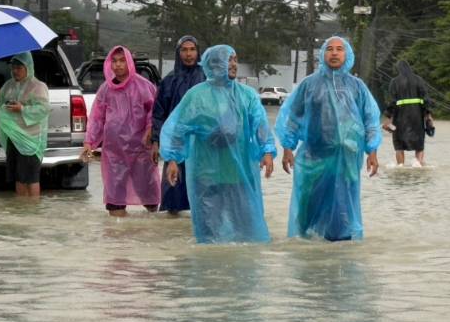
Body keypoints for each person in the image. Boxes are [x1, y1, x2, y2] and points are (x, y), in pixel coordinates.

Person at [160, 44, 275, 244]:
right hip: (206, 175)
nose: (233, 65)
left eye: (235, 59)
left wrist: (267, 150)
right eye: (228, 59)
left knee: (246, 232)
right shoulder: (197, 96)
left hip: (238, 172)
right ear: (213, 64)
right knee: (209, 235)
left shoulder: (246, 95)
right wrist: (172, 159)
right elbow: (178, 128)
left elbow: (260, 123)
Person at [276, 36, 381, 242]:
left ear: (347, 55)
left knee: (342, 210)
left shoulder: (357, 87)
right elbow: (293, 116)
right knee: (309, 212)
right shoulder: (309, 85)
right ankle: (309, 257)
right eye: (329, 49)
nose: (334, 53)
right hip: (313, 159)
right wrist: (288, 148)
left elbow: (371, 120)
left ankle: (338, 256)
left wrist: (372, 151)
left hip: (346, 161)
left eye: (339, 49)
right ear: (322, 54)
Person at [80, 45, 160, 217]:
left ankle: (148, 237)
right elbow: (96, 117)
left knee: (149, 196)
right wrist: (89, 142)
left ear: (130, 62)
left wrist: (150, 130)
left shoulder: (144, 86)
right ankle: (117, 240)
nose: (118, 65)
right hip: (114, 152)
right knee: (115, 200)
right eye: (114, 61)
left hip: (140, 150)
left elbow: (154, 111)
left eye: (122, 60)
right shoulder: (105, 89)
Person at [149, 35, 206, 215]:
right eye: (184, 50)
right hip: (175, 143)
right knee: (173, 191)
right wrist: (156, 142)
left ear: (198, 52)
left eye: (192, 49)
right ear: (178, 53)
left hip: (202, 143)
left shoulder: (207, 77)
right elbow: (159, 113)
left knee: (202, 193)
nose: (188, 54)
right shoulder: (169, 81)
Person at [0, 52, 51, 198]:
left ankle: (33, 211)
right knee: (18, 177)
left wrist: (22, 108)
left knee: (31, 178)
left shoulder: (38, 87)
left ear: (28, 67)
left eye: (19, 67)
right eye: (13, 68)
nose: (15, 71)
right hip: (12, 138)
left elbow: (43, 110)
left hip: (31, 141)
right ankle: (21, 210)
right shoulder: (8, 86)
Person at [383, 60, 434, 166]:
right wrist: (428, 117)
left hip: (400, 119)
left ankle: (400, 166)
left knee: (399, 146)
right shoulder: (419, 80)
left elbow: (392, 102)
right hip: (417, 118)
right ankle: (418, 165)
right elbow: (426, 99)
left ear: (398, 69)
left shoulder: (394, 82)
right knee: (419, 145)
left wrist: (388, 118)